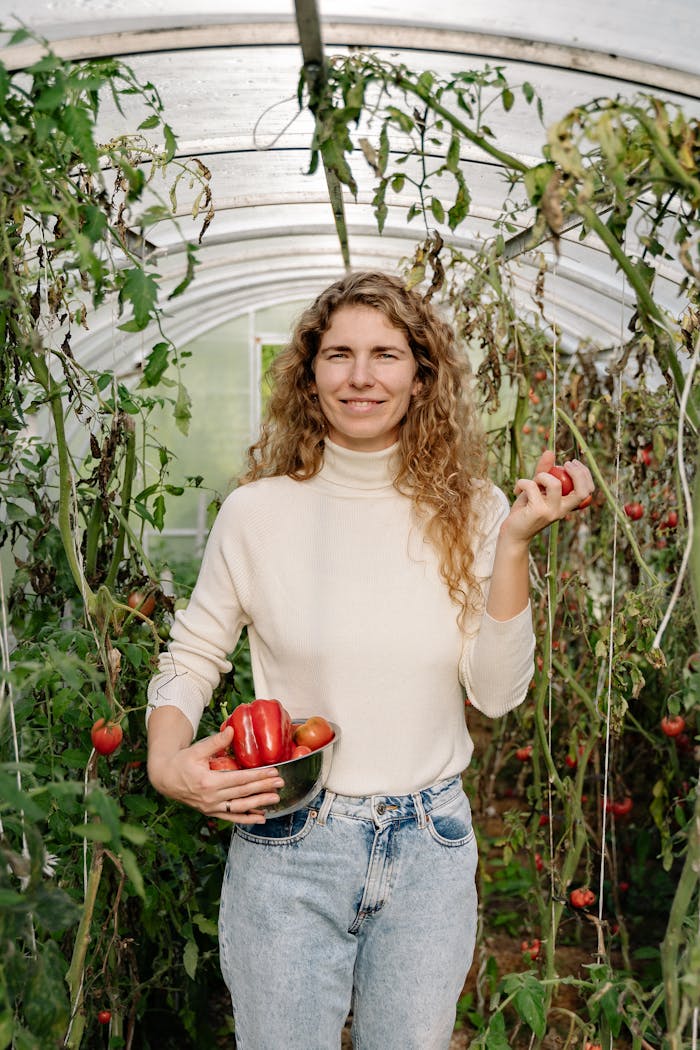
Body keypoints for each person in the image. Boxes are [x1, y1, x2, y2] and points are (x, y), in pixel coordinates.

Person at [146, 270, 594, 1050]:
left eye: (386, 355)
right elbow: (193, 651)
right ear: (309, 373)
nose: (360, 377)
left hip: (430, 846)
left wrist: (515, 543)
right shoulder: (258, 513)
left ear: (421, 378)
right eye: (339, 354)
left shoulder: (479, 509)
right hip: (291, 842)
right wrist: (163, 759)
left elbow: (495, 694)